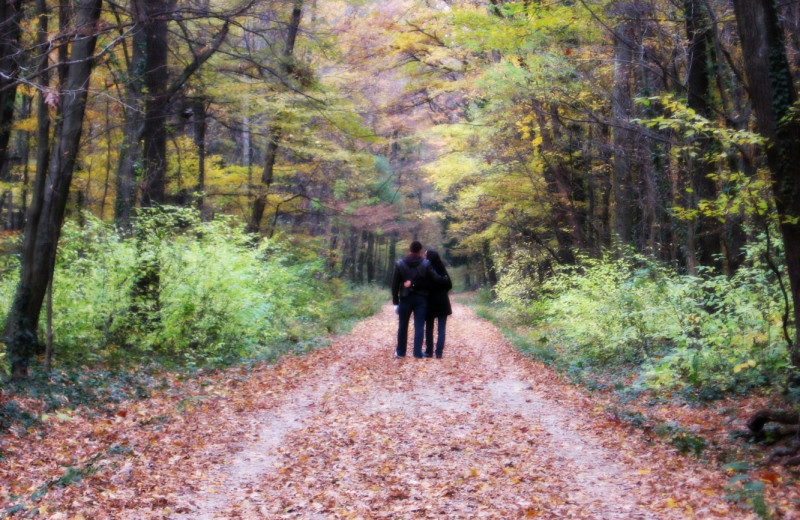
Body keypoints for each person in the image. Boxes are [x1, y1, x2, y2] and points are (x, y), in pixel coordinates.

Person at [391, 240, 449, 358]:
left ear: (410, 249)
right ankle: (417, 353)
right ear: (420, 251)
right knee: (419, 325)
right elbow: (435, 278)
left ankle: (401, 352)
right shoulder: (425, 263)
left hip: (405, 298)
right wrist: (444, 279)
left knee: (402, 325)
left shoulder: (400, 264)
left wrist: (396, 301)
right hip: (421, 298)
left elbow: (395, 284)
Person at [423, 249, 452, 358]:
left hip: (430, 301)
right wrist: (442, 291)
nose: (424, 257)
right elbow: (449, 284)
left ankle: (429, 351)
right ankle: (439, 353)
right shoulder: (441, 267)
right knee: (441, 329)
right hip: (442, 301)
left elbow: (423, 285)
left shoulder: (425, 269)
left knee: (429, 327)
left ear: (429, 256)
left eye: (425, 255)